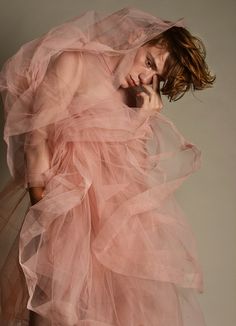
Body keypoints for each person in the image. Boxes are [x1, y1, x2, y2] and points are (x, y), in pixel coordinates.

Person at [0, 7, 215, 326]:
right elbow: (37, 138)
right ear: (135, 38)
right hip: (67, 212)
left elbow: (133, 169)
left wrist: (144, 118)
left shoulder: (136, 97)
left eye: (157, 78)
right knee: (53, 307)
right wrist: (42, 208)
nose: (146, 78)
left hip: (116, 225)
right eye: (149, 62)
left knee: (112, 311)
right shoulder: (74, 63)